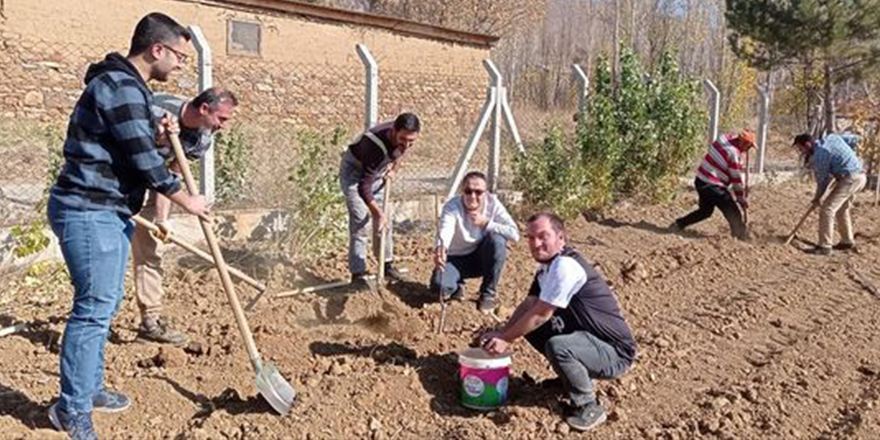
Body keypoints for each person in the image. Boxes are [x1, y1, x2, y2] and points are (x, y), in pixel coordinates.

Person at [45, 13, 209, 440]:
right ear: (158, 49)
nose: (179, 65)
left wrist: (157, 130)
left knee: (105, 303)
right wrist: (184, 198)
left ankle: (89, 389)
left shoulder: (127, 89)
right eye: (179, 56)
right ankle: (71, 409)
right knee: (93, 309)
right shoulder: (119, 86)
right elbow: (142, 157)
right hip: (87, 209)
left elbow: (128, 140)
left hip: (107, 209)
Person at [481, 212, 637, 432]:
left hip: (615, 353)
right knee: (532, 328)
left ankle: (588, 405)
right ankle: (570, 379)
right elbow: (530, 305)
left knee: (558, 345)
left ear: (561, 238)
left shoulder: (565, 266)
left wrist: (506, 339)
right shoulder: (547, 268)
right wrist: (502, 332)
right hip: (590, 341)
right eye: (531, 238)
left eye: (543, 236)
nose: (536, 243)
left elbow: (542, 313)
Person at [131, 87, 238, 345]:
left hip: (154, 186)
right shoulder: (154, 108)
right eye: (221, 119)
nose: (223, 126)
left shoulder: (202, 138)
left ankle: (151, 321)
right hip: (112, 185)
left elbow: (172, 178)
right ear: (204, 109)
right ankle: (91, 324)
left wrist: (161, 219)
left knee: (150, 251)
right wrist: (155, 138)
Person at [340, 113, 420, 287]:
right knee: (361, 221)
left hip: (376, 173)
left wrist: (394, 170)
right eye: (403, 139)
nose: (406, 144)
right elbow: (363, 187)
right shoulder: (374, 145)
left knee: (386, 222)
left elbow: (399, 152)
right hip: (355, 175)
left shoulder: (402, 136)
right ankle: (358, 273)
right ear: (393, 131)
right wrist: (377, 213)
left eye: (411, 141)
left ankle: (386, 265)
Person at [431, 171, 519, 313]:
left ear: (486, 193)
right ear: (462, 192)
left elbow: (514, 234)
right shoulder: (452, 206)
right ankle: (457, 285)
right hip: (455, 259)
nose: (473, 196)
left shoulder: (493, 204)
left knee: (497, 240)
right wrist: (441, 247)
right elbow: (445, 230)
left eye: (478, 192)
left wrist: (486, 223)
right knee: (439, 287)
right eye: (468, 191)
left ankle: (487, 294)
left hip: (480, 257)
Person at [671, 130, 756, 240]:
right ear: (743, 144)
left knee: (705, 211)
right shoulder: (733, 154)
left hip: (701, 180)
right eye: (748, 147)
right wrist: (740, 198)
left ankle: (679, 224)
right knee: (732, 211)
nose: (747, 151)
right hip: (712, 184)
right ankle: (740, 237)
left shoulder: (724, 138)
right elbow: (736, 179)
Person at [792, 133, 867, 255]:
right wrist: (846, 159)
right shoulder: (832, 138)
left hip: (849, 179)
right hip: (860, 177)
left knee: (827, 209)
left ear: (808, 144)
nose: (802, 152)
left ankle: (825, 246)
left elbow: (823, 181)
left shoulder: (820, 155)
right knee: (842, 209)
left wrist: (817, 198)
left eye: (801, 149)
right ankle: (847, 241)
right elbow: (854, 140)